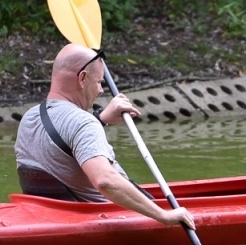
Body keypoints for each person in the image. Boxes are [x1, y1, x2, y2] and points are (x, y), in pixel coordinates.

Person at [15, 44, 197, 230]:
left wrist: (100, 119)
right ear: (82, 78)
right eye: (99, 82)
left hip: (46, 216)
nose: (101, 90)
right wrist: (163, 215)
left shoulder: (29, 117)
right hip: (109, 218)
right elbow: (105, 181)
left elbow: (65, 136)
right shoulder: (83, 123)